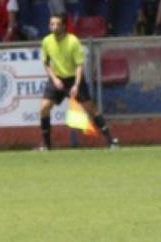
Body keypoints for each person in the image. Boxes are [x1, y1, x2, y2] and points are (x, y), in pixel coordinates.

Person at [39, 13, 119, 149]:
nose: (54, 27)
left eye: (57, 24)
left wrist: (76, 85)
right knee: (44, 108)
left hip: (73, 78)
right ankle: (47, 145)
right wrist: (54, 79)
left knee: (90, 108)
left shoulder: (73, 41)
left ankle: (111, 141)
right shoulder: (46, 41)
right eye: (52, 24)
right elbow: (46, 63)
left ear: (64, 26)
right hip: (57, 78)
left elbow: (79, 65)